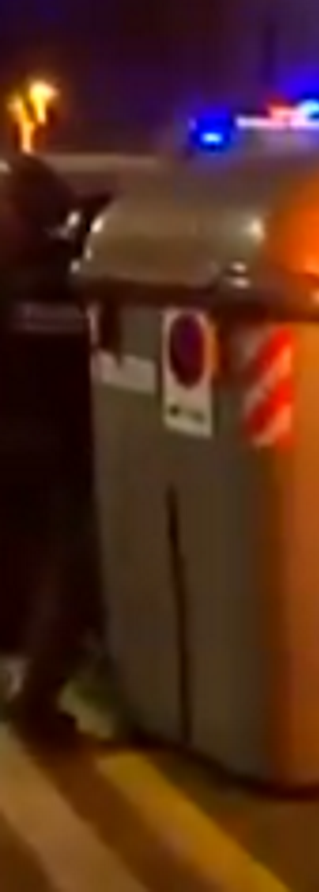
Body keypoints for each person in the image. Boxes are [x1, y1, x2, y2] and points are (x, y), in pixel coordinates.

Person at [0, 155, 97, 747]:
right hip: (54, 448)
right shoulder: (63, 284)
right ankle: (36, 701)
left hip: (20, 441)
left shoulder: (16, 278)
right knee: (69, 573)